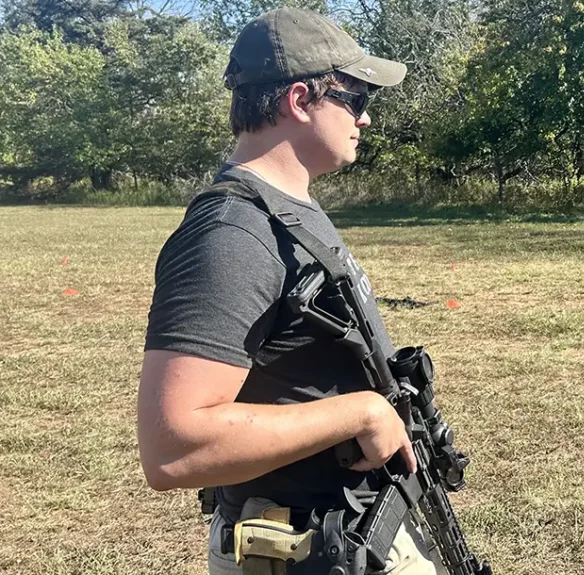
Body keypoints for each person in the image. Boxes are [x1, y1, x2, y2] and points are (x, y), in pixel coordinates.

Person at [136, 8, 447, 574]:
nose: (366, 117)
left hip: (343, 537)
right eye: (355, 98)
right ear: (300, 100)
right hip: (301, 550)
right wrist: (362, 414)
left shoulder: (286, 208)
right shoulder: (232, 233)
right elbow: (172, 447)